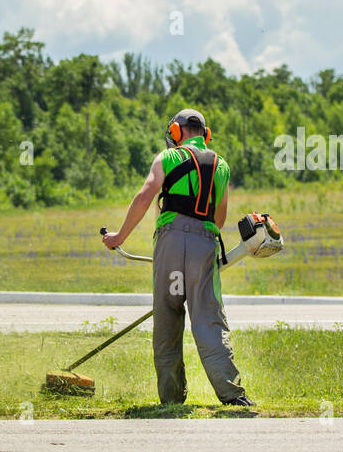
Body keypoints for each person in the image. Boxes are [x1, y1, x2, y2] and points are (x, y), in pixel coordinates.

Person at [101, 108, 252, 406]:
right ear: (205, 134)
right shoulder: (221, 166)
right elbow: (219, 218)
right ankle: (233, 395)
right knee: (208, 318)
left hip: (170, 245)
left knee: (168, 316)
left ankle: (171, 399)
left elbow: (146, 195)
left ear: (176, 133)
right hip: (204, 244)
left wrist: (119, 237)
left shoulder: (167, 158)